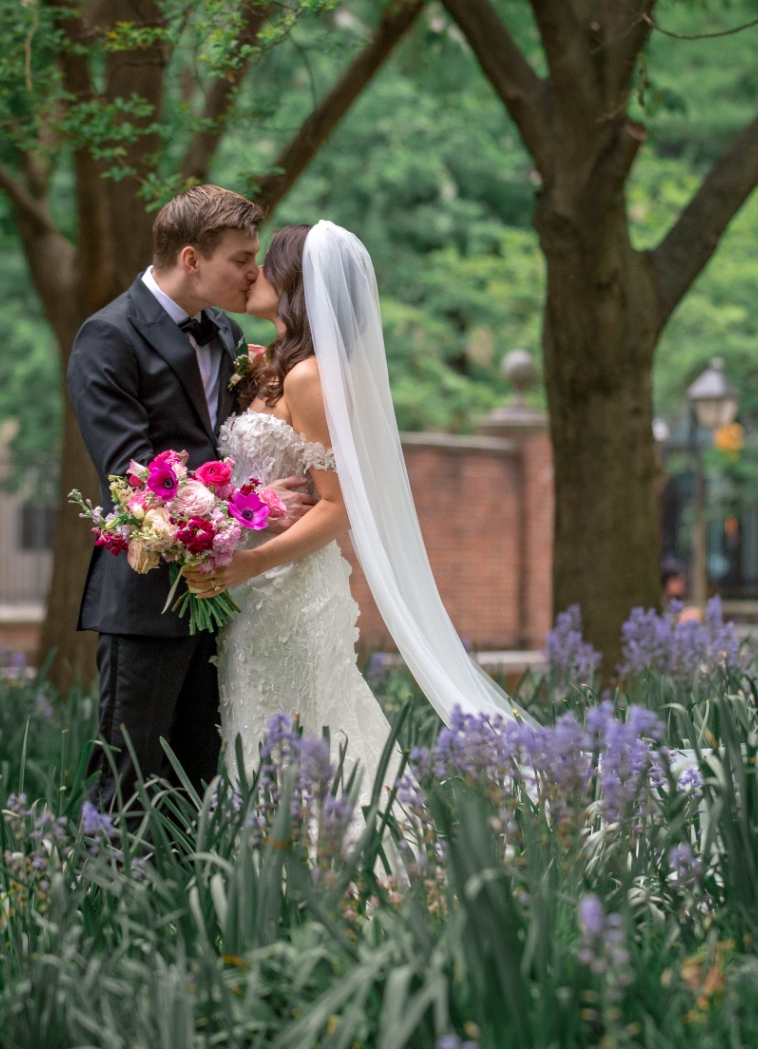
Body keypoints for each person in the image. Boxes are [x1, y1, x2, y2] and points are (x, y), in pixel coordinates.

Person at [188, 220, 523, 794]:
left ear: (295, 281)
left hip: (286, 588)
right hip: (252, 591)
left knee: (302, 740)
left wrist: (249, 564)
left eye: (267, 262)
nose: (254, 272)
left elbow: (339, 506)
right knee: (268, 738)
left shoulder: (309, 378)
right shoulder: (270, 367)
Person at [66, 185, 315, 810]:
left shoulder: (227, 333)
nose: (254, 272)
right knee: (130, 780)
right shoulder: (109, 336)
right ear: (192, 258)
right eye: (241, 259)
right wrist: (250, 503)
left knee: (196, 789)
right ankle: (106, 905)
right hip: (148, 598)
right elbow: (137, 478)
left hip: (228, 598)